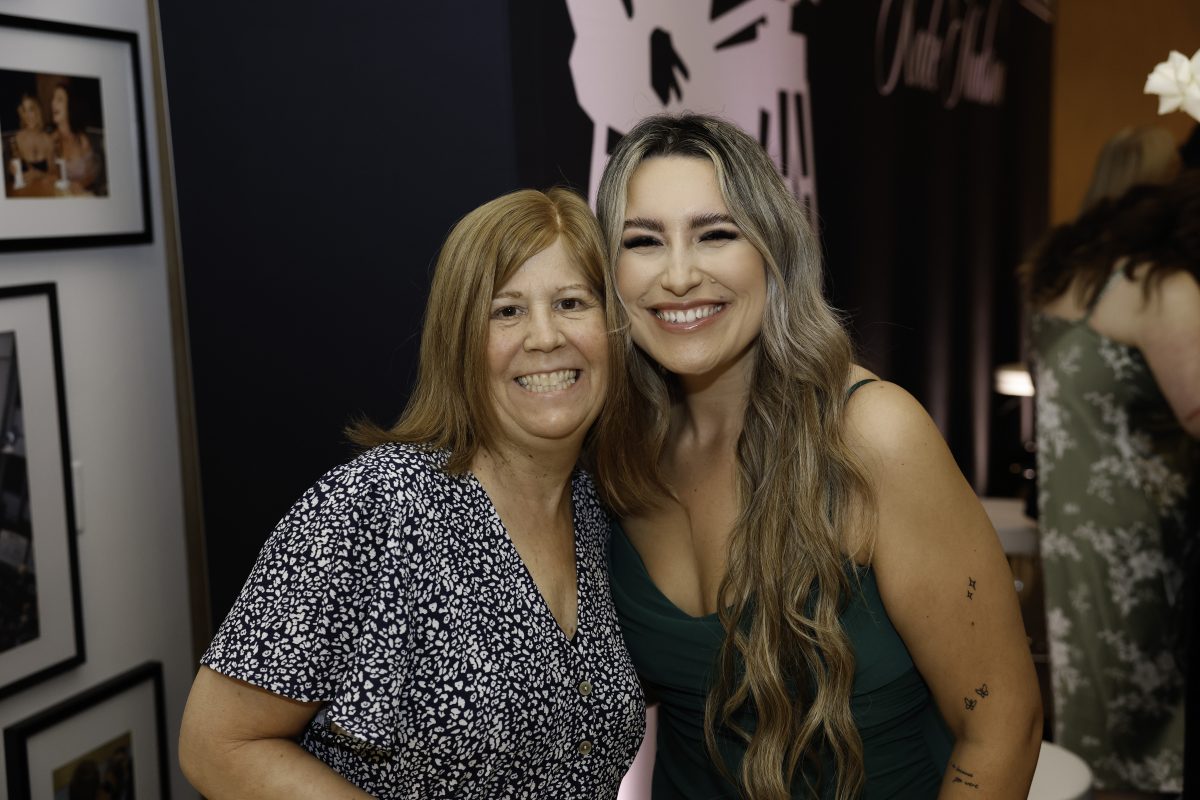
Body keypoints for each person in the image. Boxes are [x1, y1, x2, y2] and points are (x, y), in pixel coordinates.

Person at [591, 112, 1042, 799]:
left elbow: (1004, 722)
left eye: (716, 234)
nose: (678, 275)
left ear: (774, 252)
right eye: (643, 241)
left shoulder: (870, 434)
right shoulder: (618, 452)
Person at [178, 188, 645, 799]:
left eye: (571, 302)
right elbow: (217, 745)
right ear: (459, 342)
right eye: (506, 311)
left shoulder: (601, 512)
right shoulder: (377, 504)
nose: (544, 336)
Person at [1023, 162, 1200, 797]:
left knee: (1101, 726)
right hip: (1147, 550)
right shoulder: (1162, 288)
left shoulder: (1077, 276)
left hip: (1079, 542)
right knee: (1148, 735)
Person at [49, 83, 98, 192]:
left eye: (59, 99)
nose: (53, 103)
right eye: (53, 99)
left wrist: (79, 184)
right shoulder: (52, 139)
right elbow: (52, 173)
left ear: (70, 106)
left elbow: (92, 175)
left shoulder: (82, 140)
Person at [8, 92, 54, 177]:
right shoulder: (18, 139)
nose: (28, 115)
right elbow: (13, 173)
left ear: (38, 111)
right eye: (24, 111)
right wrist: (12, 169)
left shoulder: (48, 140)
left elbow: (53, 173)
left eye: (31, 109)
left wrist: (38, 175)